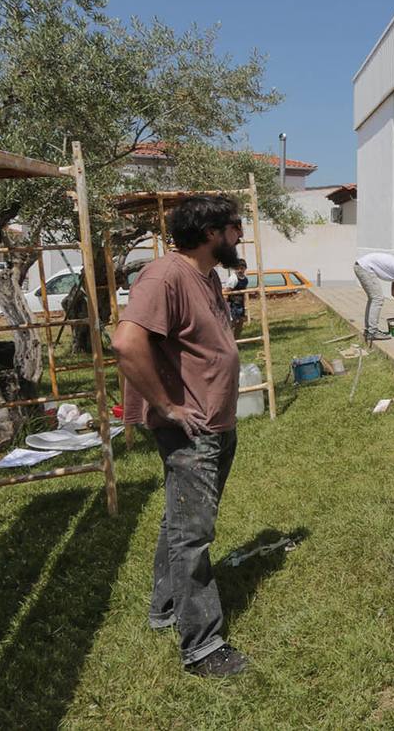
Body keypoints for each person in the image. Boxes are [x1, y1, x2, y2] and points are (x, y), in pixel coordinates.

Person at [111, 195, 248, 677]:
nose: (240, 234)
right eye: (235, 226)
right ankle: (202, 647)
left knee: (179, 521)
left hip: (214, 422)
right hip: (192, 430)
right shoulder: (164, 276)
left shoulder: (205, 276)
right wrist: (166, 406)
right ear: (211, 232)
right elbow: (126, 343)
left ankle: (165, 607)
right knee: (194, 535)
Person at [223, 259, 249, 335]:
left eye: (242, 268)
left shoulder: (245, 279)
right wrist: (225, 305)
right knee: (233, 322)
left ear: (245, 268)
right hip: (232, 303)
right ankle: (229, 339)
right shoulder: (233, 279)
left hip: (240, 303)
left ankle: (236, 339)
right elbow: (226, 292)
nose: (240, 270)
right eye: (237, 268)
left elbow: (243, 292)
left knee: (241, 321)